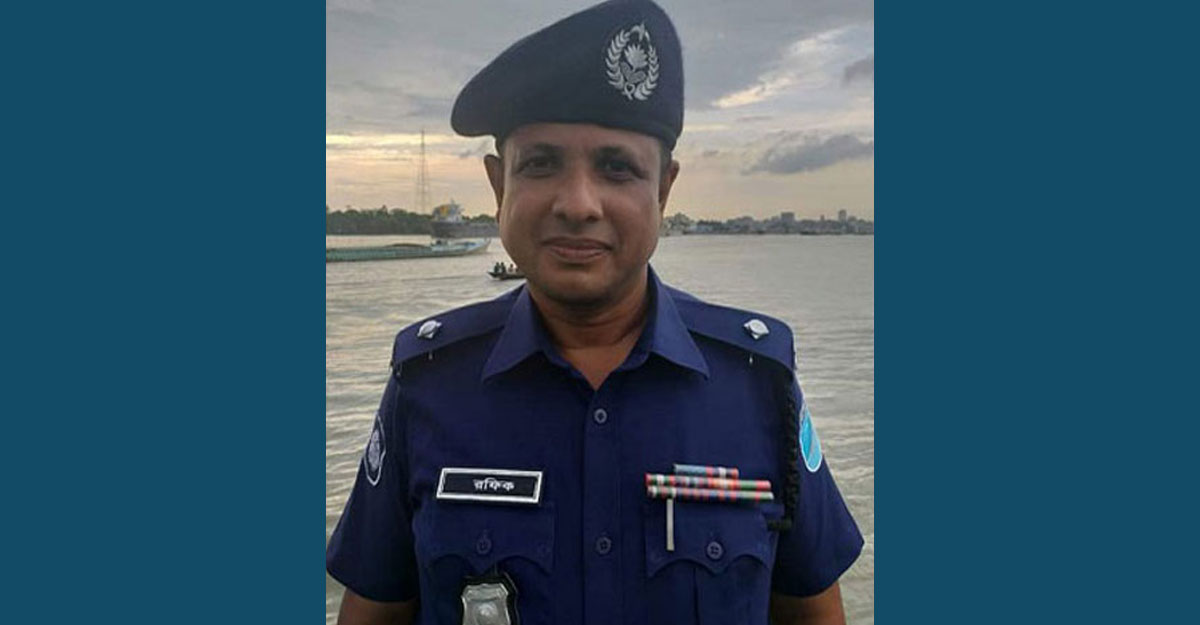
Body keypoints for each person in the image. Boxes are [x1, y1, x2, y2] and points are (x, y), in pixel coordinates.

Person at [326, 2, 863, 624]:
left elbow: (813, 612)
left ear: (663, 189)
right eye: (541, 163)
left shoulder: (757, 385)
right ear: (499, 186)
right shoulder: (429, 385)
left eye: (616, 168)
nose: (579, 204)